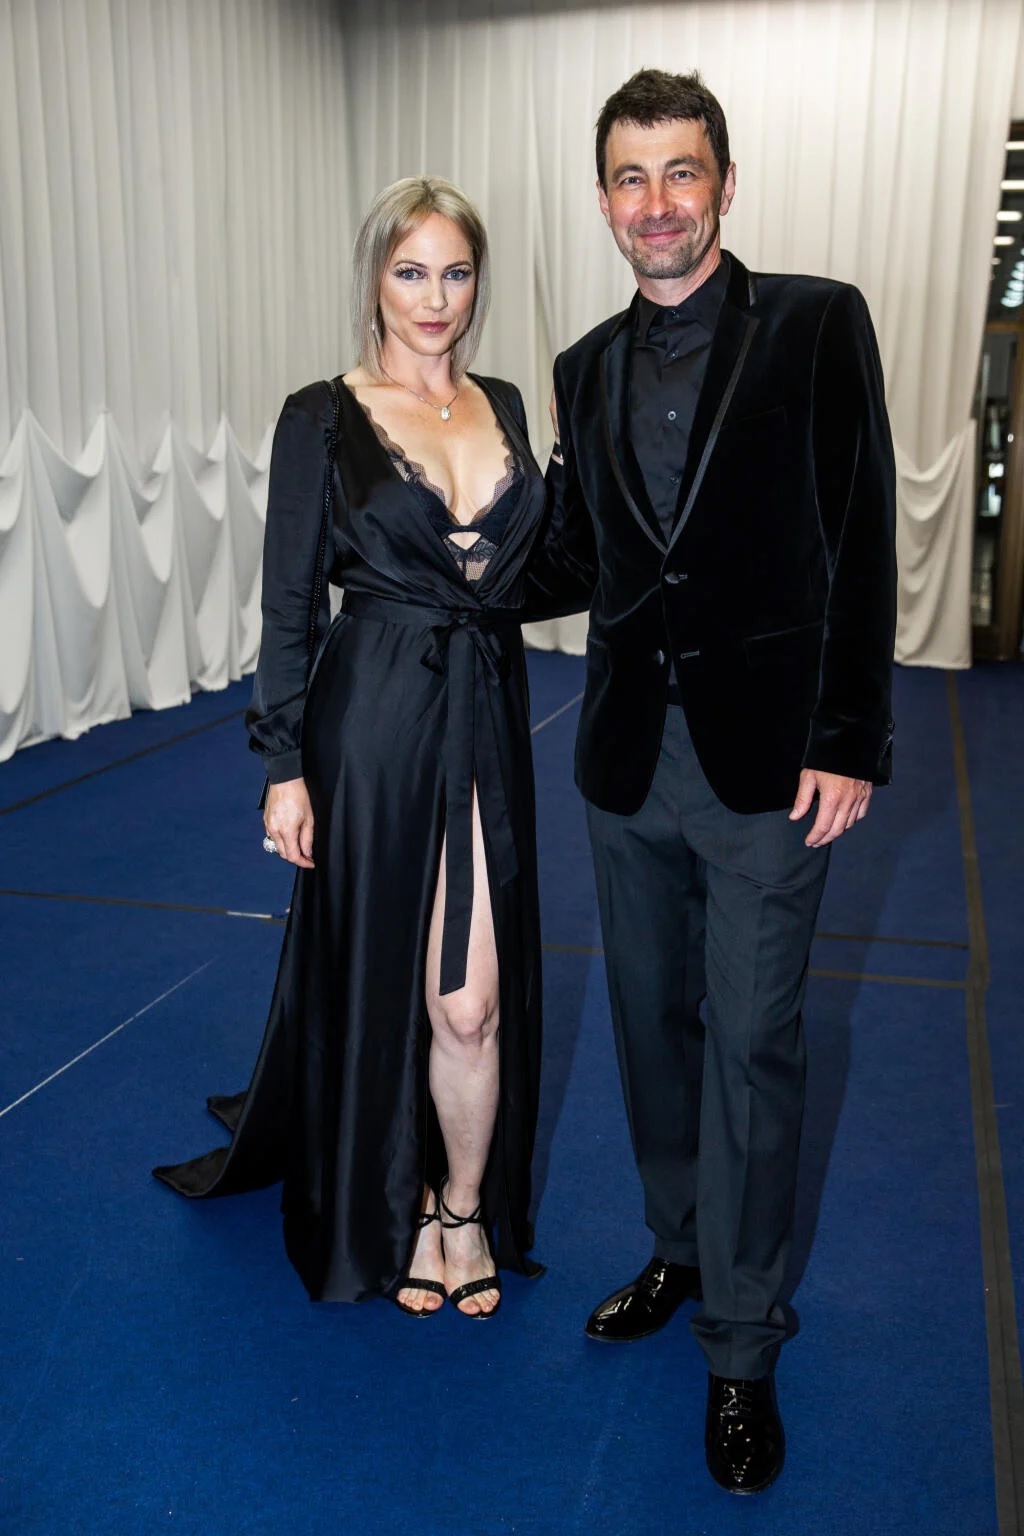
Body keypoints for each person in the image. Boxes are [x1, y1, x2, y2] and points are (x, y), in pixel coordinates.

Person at [526, 69, 897, 1491]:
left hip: (770, 768)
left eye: (681, 172)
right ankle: (680, 1249)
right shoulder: (580, 367)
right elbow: (582, 557)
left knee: (752, 1043)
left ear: (725, 184)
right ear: (603, 199)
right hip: (627, 761)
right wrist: (439, 547)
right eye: (630, 178)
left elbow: (861, 529)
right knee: (651, 1031)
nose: (656, 203)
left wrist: (849, 735)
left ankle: (741, 1346)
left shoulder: (815, 321)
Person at [154, 177, 549, 1320]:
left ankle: (463, 1208)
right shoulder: (322, 415)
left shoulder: (504, 403)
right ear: (375, 279)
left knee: (468, 1003)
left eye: (456, 272)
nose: (435, 298)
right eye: (410, 271)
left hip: (485, 707)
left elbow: (537, 562)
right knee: (383, 982)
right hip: (370, 718)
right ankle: (397, 1201)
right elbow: (290, 602)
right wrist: (284, 765)